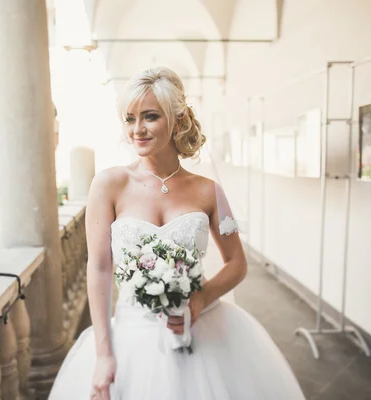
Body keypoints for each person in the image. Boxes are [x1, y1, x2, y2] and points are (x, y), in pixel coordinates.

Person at [49, 67, 306, 400]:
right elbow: (99, 269)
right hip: (131, 335)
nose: (137, 129)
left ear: (178, 120)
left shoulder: (209, 191)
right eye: (130, 119)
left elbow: (237, 263)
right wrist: (103, 355)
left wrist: (198, 300)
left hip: (202, 330)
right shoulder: (109, 185)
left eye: (150, 117)